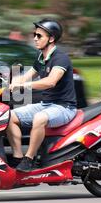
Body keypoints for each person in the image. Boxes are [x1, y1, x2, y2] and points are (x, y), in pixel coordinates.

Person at [7, 19, 77, 172]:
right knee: (9, 116)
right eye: (34, 35)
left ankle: (29, 159)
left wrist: (23, 85)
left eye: (39, 36)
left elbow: (50, 82)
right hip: (46, 105)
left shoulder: (60, 58)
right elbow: (27, 76)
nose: (35, 39)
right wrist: (8, 82)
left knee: (39, 118)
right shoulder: (41, 58)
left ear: (51, 38)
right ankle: (18, 157)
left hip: (64, 107)